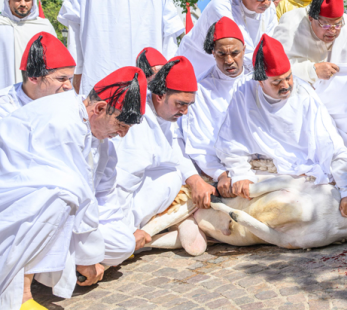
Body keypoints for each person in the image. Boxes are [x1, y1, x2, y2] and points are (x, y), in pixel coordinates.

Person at [0, 67, 147, 309]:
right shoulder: (64, 122)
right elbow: (77, 193)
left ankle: (56, 264)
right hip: (13, 200)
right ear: (99, 109)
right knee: (59, 197)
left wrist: (108, 242)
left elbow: (105, 195)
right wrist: (88, 258)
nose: (122, 134)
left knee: (123, 244)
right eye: (121, 125)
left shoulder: (101, 140)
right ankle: (20, 295)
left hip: (67, 213)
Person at [215, 34, 347, 217]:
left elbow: (332, 145)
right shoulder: (243, 91)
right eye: (276, 82)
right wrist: (240, 173)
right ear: (260, 82)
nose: (286, 85)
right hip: (263, 173)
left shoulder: (304, 95)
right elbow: (231, 142)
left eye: (288, 77)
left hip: (307, 175)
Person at [116, 56, 216, 232]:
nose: (184, 111)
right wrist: (123, 233)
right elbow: (122, 183)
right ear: (160, 95)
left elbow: (174, 149)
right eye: (180, 104)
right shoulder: (138, 121)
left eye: (189, 105)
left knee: (173, 176)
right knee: (171, 178)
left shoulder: (164, 114)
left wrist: (195, 181)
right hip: (113, 203)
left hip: (128, 197)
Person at [181, 17, 252, 197]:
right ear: (213, 53)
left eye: (235, 53)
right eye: (221, 54)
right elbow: (200, 142)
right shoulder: (202, 90)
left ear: (244, 49)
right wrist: (220, 173)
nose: (228, 60)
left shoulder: (260, 78)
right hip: (223, 170)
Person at [178, 0, 277, 78]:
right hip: (197, 64)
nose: (267, 3)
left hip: (233, 68)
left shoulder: (270, 8)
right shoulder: (222, 5)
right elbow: (240, 47)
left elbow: (272, 42)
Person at [273, 0, 347, 85]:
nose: (332, 31)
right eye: (325, 24)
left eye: (337, 25)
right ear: (311, 18)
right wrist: (311, 70)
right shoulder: (291, 24)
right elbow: (274, 65)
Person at [0, 0, 57, 89]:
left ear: (33, 2)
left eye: (27, 0)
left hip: (36, 90)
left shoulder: (44, 26)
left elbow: (54, 58)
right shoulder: (2, 25)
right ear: (8, 1)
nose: (22, 3)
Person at [0, 32, 75, 119]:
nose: (69, 86)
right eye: (61, 78)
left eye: (70, 79)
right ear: (34, 77)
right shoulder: (5, 109)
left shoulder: (71, 100)